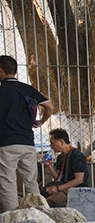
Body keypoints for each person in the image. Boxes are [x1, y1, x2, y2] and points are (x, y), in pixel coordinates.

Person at [0, 55, 54, 212]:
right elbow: (49, 107)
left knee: (7, 181)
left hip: (6, 143)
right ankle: (40, 213)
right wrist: (41, 122)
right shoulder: (27, 89)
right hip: (27, 143)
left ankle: (12, 217)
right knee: (31, 181)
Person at [41, 129, 89, 207]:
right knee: (41, 193)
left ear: (61, 142)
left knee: (51, 201)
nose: (51, 146)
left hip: (75, 189)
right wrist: (49, 165)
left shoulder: (76, 155)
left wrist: (58, 189)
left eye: (53, 143)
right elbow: (57, 176)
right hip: (64, 186)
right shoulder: (61, 156)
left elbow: (79, 180)